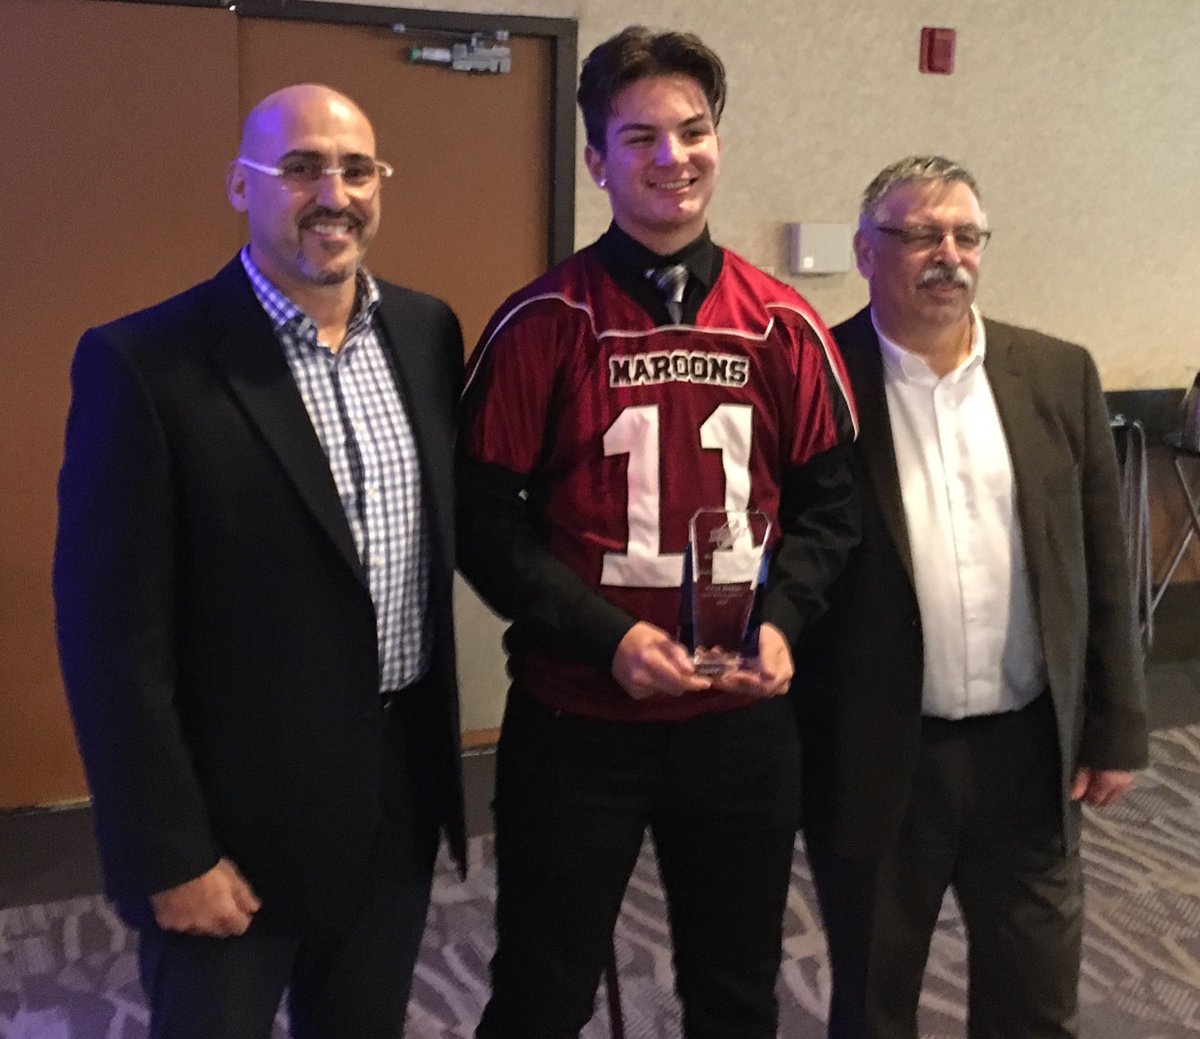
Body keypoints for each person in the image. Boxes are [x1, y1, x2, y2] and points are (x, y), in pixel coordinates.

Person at [456, 24, 859, 1039]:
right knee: (542, 989)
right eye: (640, 138)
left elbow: (830, 508)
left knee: (736, 990)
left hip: (739, 725)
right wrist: (608, 638)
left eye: (692, 131)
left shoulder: (783, 324)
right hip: (578, 720)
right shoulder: (541, 320)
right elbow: (481, 524)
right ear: (596, 161)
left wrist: (785, 624)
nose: (673, 158)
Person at [53, 84, 465, 1039]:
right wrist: (167, 852)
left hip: (394, 797)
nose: (334, 192)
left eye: (357, 169)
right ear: (241, 187)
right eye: (301, 167)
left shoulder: (426, 330)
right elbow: (111, 639)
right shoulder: (145, 362)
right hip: (231, 826)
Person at [794, 155, 1149, 1039]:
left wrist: (1115, 727)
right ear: (866, 252)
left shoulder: (1058, 374)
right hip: (880, 754)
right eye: (918, 233)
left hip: (1030, 755)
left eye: (965, 234)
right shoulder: (815, 374)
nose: (946, 254)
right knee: (873, 1001)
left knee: (1036, 998)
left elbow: (1104, 566)